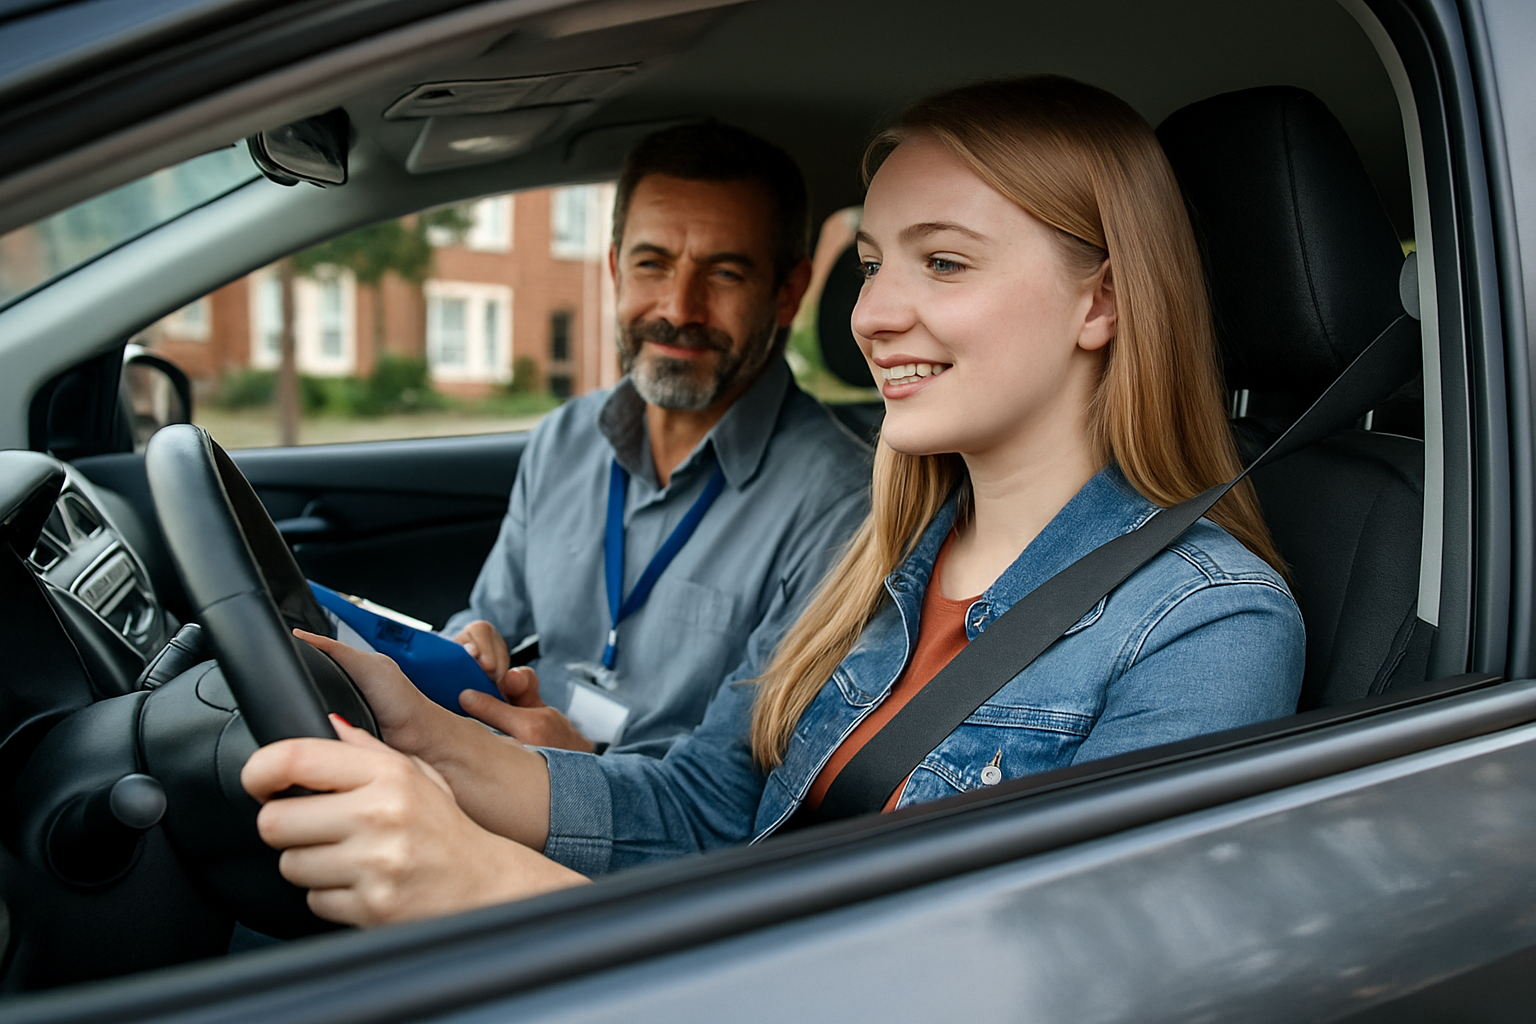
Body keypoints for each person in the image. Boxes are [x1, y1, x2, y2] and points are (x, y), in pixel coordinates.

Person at [242, 76, 1306, 927]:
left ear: (1103, 300)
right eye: (878, 262)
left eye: (942, 261)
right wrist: (428, 738)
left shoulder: (1207, 625)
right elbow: (711, 810)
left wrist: (486, 883)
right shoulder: (886, 555)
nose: (876, 313)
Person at [444, 123, 871, 756]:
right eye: (653, 264)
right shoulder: (565, 438)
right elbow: (489, 620)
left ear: (787, 294)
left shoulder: (843, 501)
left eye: (724, 273)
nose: (679, 307)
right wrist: (468, 645)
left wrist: (576, 771)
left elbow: (738, 789)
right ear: (616, 268)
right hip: (504, 772)